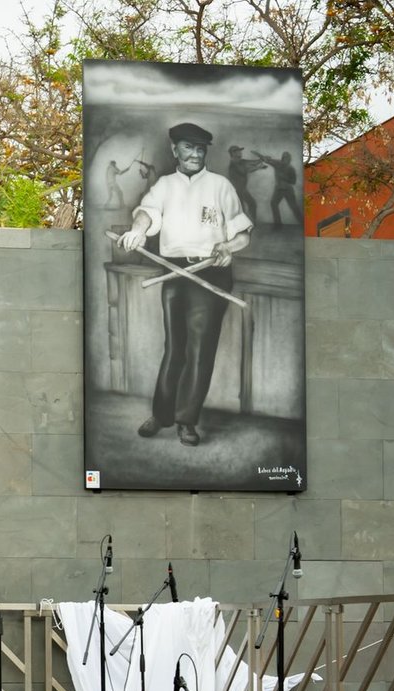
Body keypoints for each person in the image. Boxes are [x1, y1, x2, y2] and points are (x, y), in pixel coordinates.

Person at [119, 121, 254, 448]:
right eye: (188, 148)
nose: (195, 154)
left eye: (200, 149)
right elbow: (147, 214)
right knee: (174, 348)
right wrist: (137, 230)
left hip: (211, 273)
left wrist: (227, 248)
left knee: (199, 351)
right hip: (176, 271)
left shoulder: (221, 186)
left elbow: (242, 234)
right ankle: (161, 415)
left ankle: (186, 421)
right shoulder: (164, 185)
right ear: (174, 150)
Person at [255, 149, 303, 225]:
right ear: (282, 159)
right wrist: (258, 154)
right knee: (273, 203)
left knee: (294, 207)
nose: (286, 160)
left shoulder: (291, 169)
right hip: (278, 190)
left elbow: (293, 182)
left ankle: (303, 224)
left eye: (287, 158)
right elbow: (266, 159)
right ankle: (278, 224)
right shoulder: (277, 163)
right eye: (284, 158)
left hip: (288, 190)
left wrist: (284, 177)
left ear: (289, 160)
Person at [226, 145, 266, 221]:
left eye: (240, 151)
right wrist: (258, 167)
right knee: (241, 210)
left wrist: (262, 159)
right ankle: (244, 226)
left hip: (242, 190)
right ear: (233, 153)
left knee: (252, 205)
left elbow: (253, 163)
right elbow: (245, 170)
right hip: (236, 191)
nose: (240, 152)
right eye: (238, 151)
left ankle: (252, 223)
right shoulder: (233, 165)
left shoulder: (241, 161)